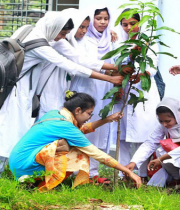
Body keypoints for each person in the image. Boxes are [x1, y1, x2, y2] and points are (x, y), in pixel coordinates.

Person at [0, 12, 123, 178]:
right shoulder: (40, 44)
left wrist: (113, 68)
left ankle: (7, 172)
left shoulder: (34, 32)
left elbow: (80, 58)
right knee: (7, 132)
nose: (62, 37)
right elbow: (71, 65)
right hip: (16, 93)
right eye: (62, 33)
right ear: (54, 27)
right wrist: (108, 77)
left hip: (14, 90)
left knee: (11, 132)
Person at [9, 91, 142, 191]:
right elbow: (95, 153)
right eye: (89, 113)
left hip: (17, 164)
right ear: (78, 110)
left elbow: (80, 129)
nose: (89, 117)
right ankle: (45, 184)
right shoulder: (66, 126)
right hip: (25, 167)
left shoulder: (55, 114)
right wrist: (127, 171)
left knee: (67, 145)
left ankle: (35, 180)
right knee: (79, 151)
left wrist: (107, 119)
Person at [36, 8, 122, 119]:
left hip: (61, 87)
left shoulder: (72, 42)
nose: (85, 31)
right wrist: (113, 72)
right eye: (81, 27)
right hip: (51, 87)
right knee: (51, 118)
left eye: (87, 27)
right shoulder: (59, 41)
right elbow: (81, 61)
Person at [70, 6, 119, 182]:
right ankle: (77, 171)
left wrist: (116, 87)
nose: (102, 22)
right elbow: (86, 63)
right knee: (83, 127)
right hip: (86, 87)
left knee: (100, 128)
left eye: (106, 19)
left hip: (105, 89)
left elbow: (115, 62)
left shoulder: (111, 40)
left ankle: (93, 173)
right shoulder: (83, 38)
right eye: (98, 18)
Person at [109, 9, 160, 179]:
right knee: (122, 134)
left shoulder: (148, 42)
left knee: (142, 132)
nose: (129, 27)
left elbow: (152, 68)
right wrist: (119, 82)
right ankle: (124, 174)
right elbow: (115, 66)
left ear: (140, 23)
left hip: (141, 91)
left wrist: (139, 76)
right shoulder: (118, 44)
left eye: (133, 23)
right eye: (125, 24)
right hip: (123, 91)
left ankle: (143, 174)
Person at [124, 97, 180, 187]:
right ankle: (178, 180)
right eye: (161, 121)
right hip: (176, 159)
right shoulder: (163, 127)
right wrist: (134, 162)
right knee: (161, 152)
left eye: (168, 121)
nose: (164, 124)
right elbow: (150, 144)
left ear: (177, 115)